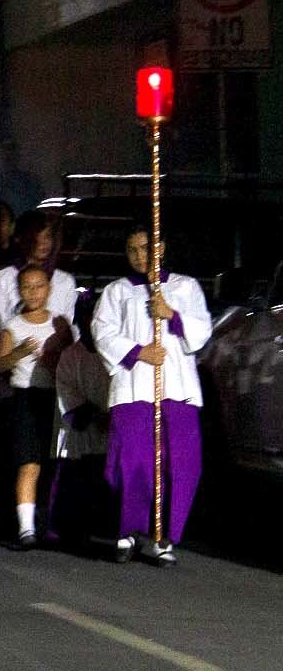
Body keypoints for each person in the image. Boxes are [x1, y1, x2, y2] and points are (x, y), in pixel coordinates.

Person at [92, 224, 211, 567]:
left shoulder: (185, 286)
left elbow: (201, 331)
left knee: (181, 463)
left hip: (177, 387)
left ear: (160, 247)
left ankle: (164, 536)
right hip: (134, 386)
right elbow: (102, 331)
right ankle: (130, 530)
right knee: (135, 462)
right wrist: (137, 352)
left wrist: (171, 315)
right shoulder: (117, 291)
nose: (140, 256)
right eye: (132, 250)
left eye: (145, 248)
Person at [0, 265, 71, 548]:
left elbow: (72, 361)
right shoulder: (13, 325)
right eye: (27, 287)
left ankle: (50, 522)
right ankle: (26, 528)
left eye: (39, 286)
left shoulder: (60, 324)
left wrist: (53, 360)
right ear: (19, 290)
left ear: (49, 289)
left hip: (55, 396)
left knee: (54, 463)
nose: (33, 292)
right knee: (29, 462)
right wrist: (20, 352)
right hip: (25, 396)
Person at [49, 294, 113, 550]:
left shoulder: (113, 351)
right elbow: (65, 386)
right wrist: (91, 414)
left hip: (110, 425)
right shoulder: (71, 355)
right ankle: (71, 531)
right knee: (76, 478)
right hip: (82, 427)